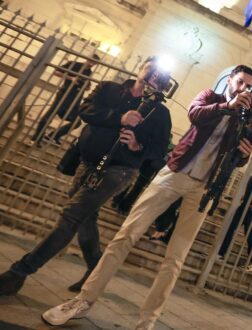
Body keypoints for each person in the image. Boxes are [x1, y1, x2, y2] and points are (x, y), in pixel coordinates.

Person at [41, 64, 252, 330]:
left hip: (204, 188)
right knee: (126, 235)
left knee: (175, 259)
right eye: (240, 82)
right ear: (229, 81)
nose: (244, 88)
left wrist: (243, 155)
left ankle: (147, 322)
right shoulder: (210, 97)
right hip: (175, 173)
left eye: (249, 85)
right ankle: (83, 301)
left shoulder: (246, 119)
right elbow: (195, 114)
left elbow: (233, 160)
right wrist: (228, 106)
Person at [0, 56, 172, 295]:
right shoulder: (110, 88)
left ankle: (19, 273)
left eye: (159, 74)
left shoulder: (159, 112)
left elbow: (160, 150)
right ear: (141, 67)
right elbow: (86, 110)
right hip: (86, 162)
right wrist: (119, 118)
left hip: (119, 171)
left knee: (71, 216)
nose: (153, 75)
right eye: (150, 68)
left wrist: (137, 146)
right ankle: (95, 269)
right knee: (86, 218)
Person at [217, 157, 252, 272]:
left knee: (249, 233)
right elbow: (250, 190)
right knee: (231, 227)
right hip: (245, 206)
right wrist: (239, 197)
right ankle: (220, 254)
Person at [32, 54, 100, 145]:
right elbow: (56, 72)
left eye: (94, 63)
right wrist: (71, 78)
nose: (92, 64)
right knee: (49, 115)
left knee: (76, 122)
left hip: (76, 98)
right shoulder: (74, 64)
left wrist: (86, 86)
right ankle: (36, 138)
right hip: (64, 94)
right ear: (87, 59)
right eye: (91, 61)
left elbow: (87, 86)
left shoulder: (89, 73)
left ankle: (53, 136)